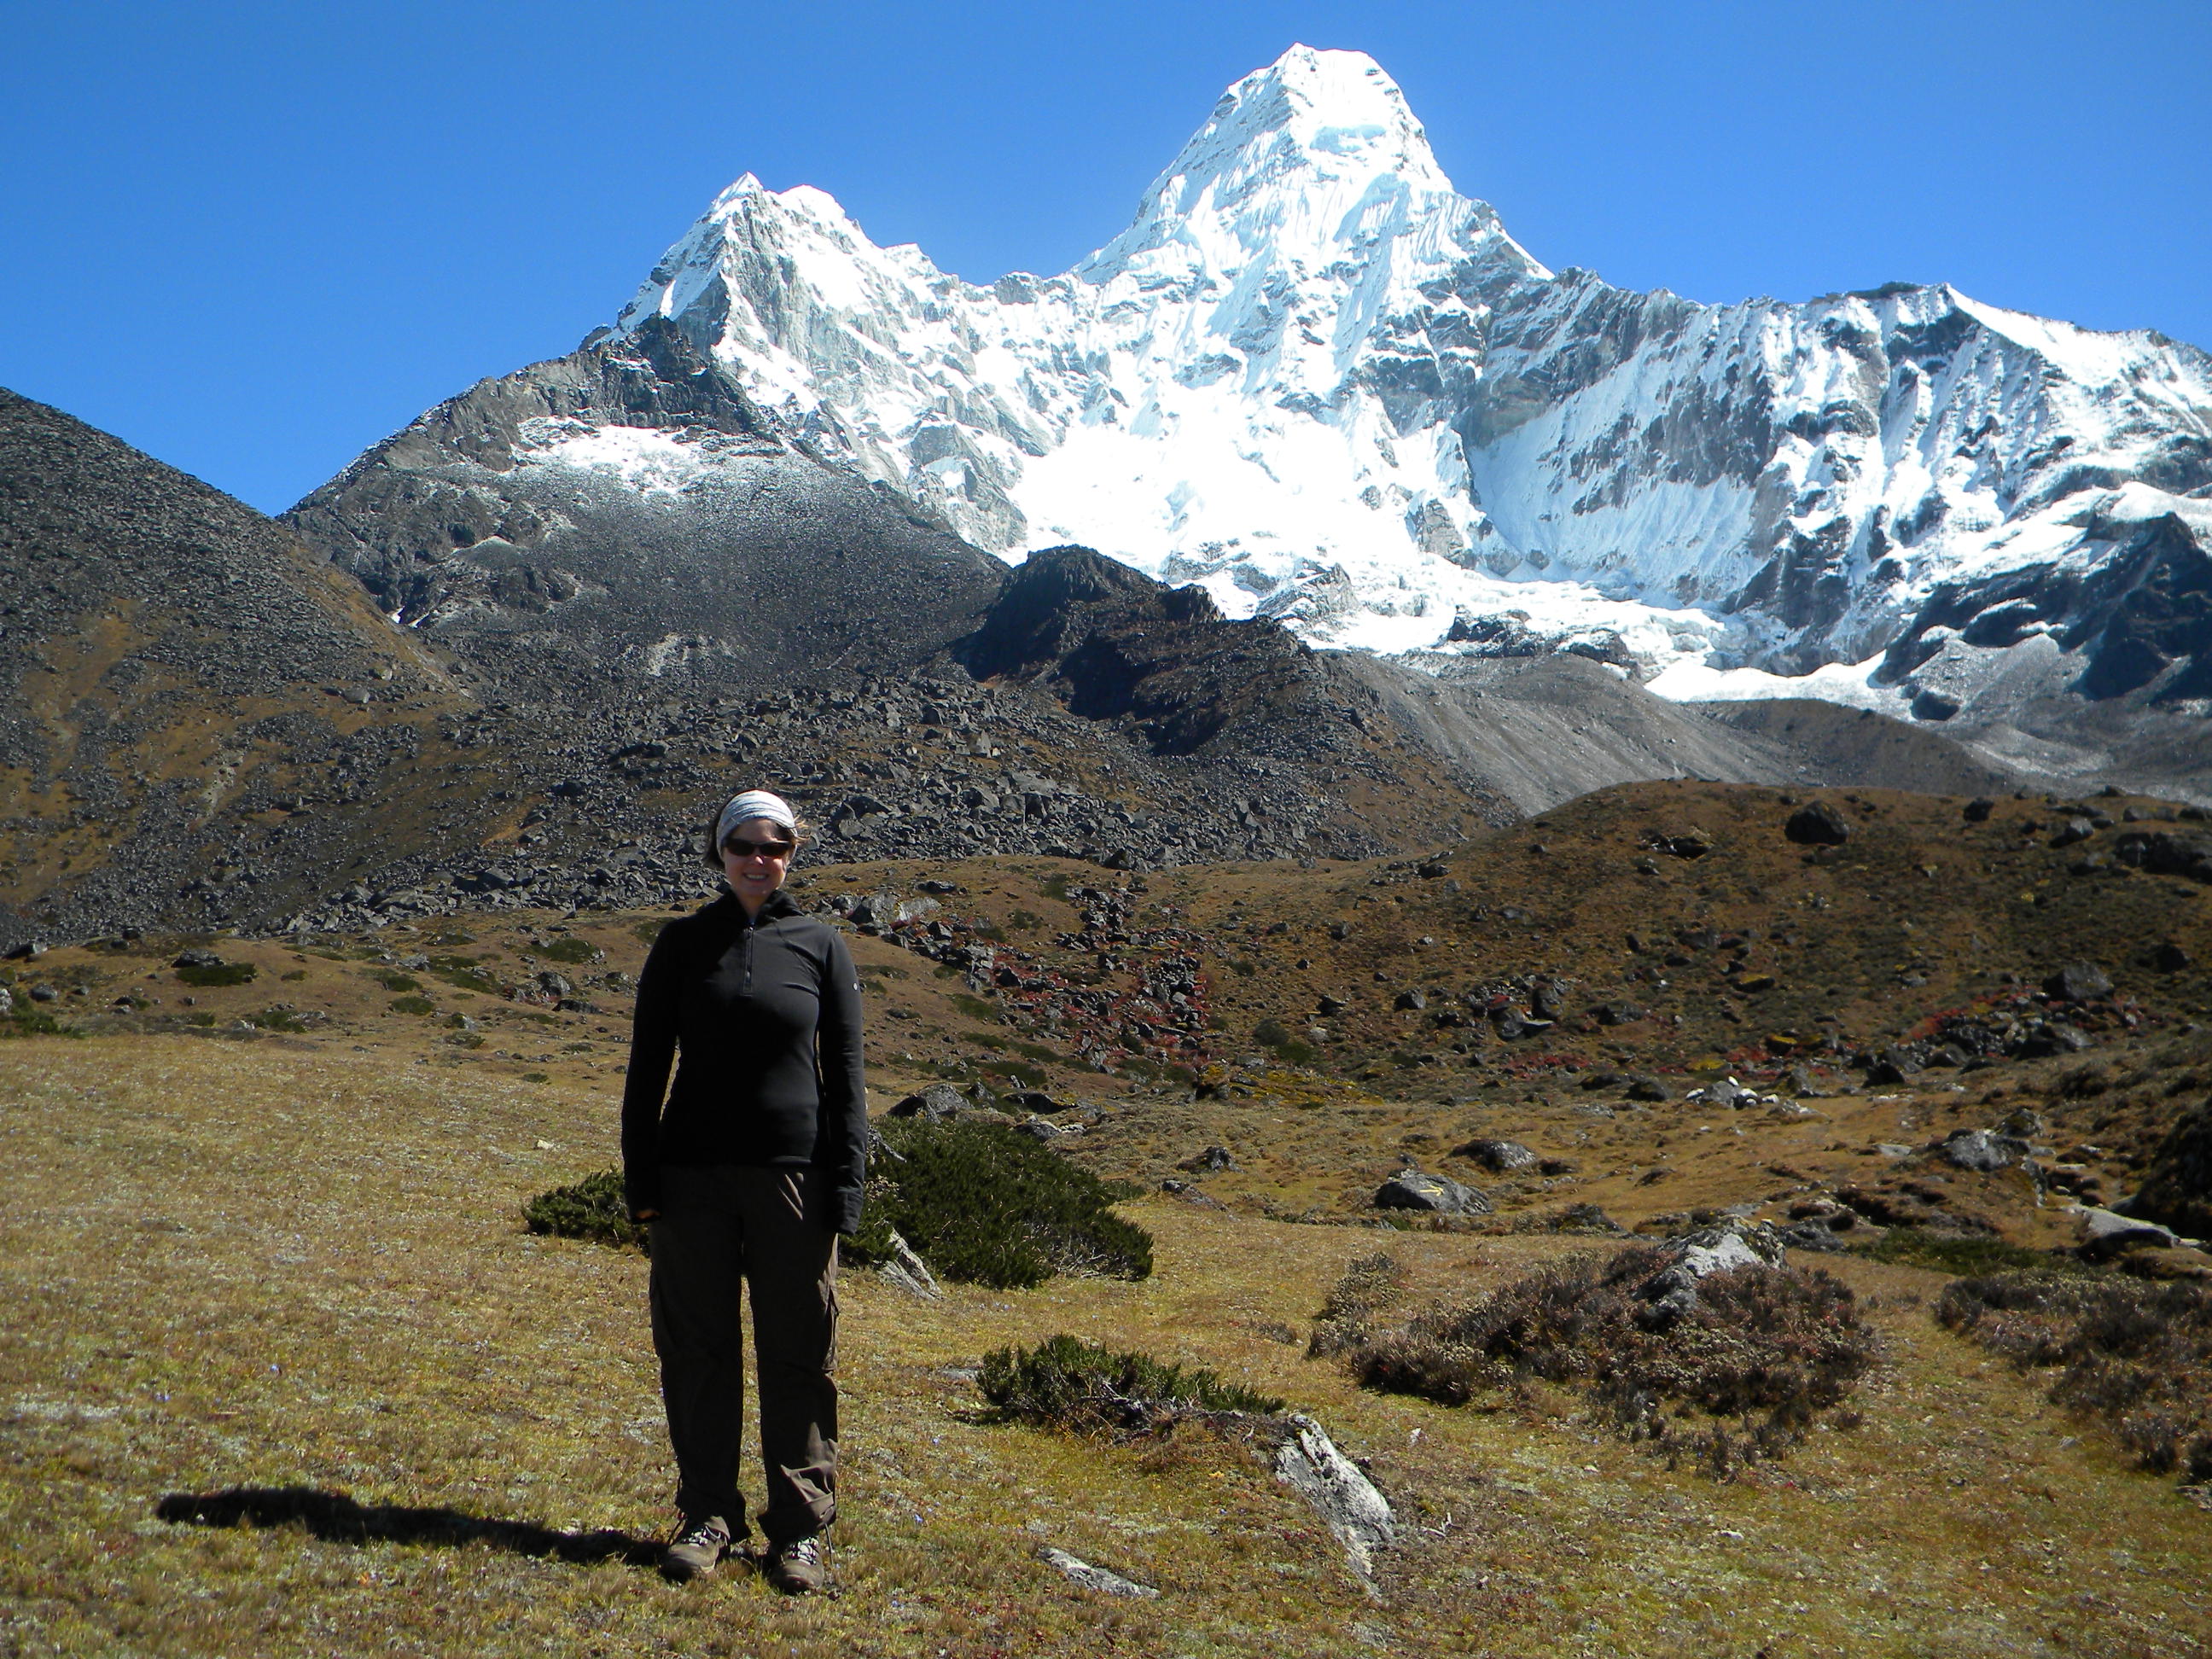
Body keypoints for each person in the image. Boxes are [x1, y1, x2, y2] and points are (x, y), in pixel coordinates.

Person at [621, 788, 867, 1592]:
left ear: (793, 854)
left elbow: (847, 1076)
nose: (761, 860)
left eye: (778, 847)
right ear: (720, 854)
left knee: (798, 1354)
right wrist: (642, 1180)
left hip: (793, 1181)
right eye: (745, 846)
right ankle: (706, 1516)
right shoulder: (684, 943)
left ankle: (799, 1531)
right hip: (691, 1179)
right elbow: (648, 1067)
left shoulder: (821, 945)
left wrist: (848, 1185)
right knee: (697, 1351)